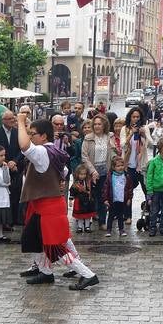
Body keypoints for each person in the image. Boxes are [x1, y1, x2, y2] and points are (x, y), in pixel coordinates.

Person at [17, 115, 99, 290]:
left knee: (55, 248)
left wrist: (20, 121)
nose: (30, 137)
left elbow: (24, 146)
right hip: (42, 205)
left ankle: (88, 275)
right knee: (33, 240)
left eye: (33, 134)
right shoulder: (53, 150)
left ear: (44, 136)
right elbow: (64, 170)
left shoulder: (42, 151)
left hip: (48, 207)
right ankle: (46, 273)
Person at [81, 114, 117, 230]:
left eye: (99, 124)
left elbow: (113, 154)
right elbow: (84, 156)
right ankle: (87, 220)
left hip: (105, 170)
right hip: (92, 170)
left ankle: (102, 221)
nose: (97, 126)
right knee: (91, 196)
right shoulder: (88, 138)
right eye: (95, 124)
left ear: (104, 125)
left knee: (103, 197)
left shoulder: (109, 136)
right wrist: (92, 171)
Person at [120, 107, 152, 223]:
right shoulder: (125, 129)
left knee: (147, 190)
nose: (135, 119)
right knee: (128, 191)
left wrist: (144, 135)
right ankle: (127, 216)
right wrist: (131, 134)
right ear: (130, 118)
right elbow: (123, 145)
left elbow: (151, 143)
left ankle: (149, 213)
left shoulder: (144, 129)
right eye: (133, 117)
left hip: (142, 166)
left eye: (138, 117)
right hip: (129, 165)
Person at [0, 109, 23, 224]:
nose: (11, 121)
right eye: (9, 119)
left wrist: (14, 162)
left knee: (15, 194)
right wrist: (6, 162)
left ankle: (13, 220)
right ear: (3, 120)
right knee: (3, 196)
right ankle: (3, 222)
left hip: (16, 168)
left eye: (12, 118)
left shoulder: (17, 132)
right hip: (2, 166)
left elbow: (22, 149)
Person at [102, 156, 133, 237]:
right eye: (118, 166)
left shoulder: (126, 176)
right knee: (111, 215)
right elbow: (106, 188)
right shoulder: (110, 177)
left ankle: (121, 229)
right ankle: (109, 230)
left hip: (122, 199)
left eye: (122, 165)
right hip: (113, 199)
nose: (120, 167)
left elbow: (130, 188)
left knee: (120, 216)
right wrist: (105, 199)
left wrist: (129, 198)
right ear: (113, 167)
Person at [69, 163, 95, 233]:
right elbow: (72, 191)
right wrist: (70, 200)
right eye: (81, 174)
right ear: (77, 174)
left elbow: (92, 190)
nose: (83, 176)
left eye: (84, 174)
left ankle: (87, 226)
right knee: (79, 215)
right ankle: (80, 227)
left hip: (87, 200)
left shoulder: (88, 182)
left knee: (87, 215)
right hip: (79, 200)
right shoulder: (75, 183)